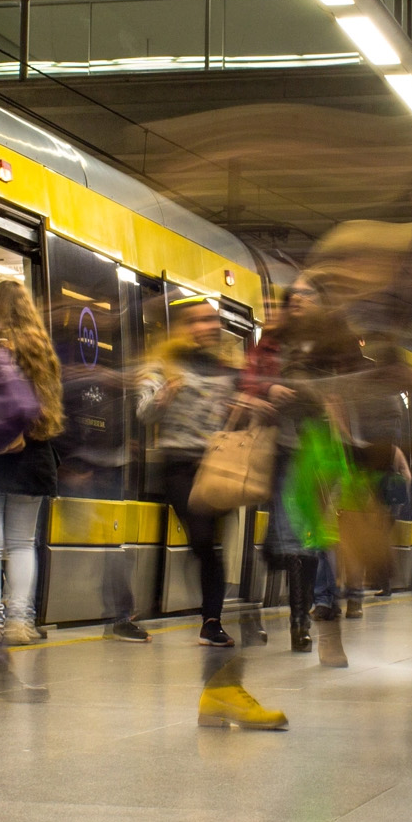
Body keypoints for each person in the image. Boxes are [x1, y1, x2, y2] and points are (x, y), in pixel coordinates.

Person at [138, 294, 285, 729]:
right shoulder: (162, 365)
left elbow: (245, 402)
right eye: (199, 320)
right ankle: (210, 612)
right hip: (180, 464)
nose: (208, 326)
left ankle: (211, 621)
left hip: (219, 463)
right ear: (182, 327)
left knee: (213, 546)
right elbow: (144, 413)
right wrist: (165, 394)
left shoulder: (227, 370)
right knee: (202, 538)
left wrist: (252, 405)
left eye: (212, 320)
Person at [0, 280, 63, 648]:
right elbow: (48, 410)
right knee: (22, 544)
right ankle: (19, 623)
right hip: (33, 454)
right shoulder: (41, 352)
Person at [240, 274, 327, 653]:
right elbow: (247, 380)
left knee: (307, 536)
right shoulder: (272, 341)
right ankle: (298, 622)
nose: (297, 300)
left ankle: (298, 608)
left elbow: (351, 389)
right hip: (284, 448)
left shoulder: (331, 344)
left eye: (306, 295)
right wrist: (269, 389)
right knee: (293, 534)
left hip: (321, 451)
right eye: (293, 295)